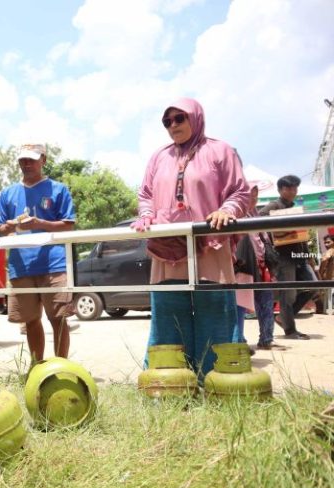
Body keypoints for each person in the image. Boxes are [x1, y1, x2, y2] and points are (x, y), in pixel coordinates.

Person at [132, 97, 250, 380]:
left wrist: (226, 209)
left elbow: (240, 191)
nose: (173, 126)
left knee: (215, 314)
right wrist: (146, 215)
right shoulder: (159, 157)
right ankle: (169, 384)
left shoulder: (219, 151)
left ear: (195, 118)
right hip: (166, 248)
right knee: (168, 316)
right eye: (167, 121)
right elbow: (145, 194)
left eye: (179, 118)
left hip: (210, 246)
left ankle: (216, 383)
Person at [0, 143, 76, 363]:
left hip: (54, 263)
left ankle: (61, 365)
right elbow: (0, 227)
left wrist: (40, 223)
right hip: (21, 265)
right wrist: (10, 226)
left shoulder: (58, 190)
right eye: (23, 160)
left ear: (43, 160)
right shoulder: (7, 193)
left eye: (31, 159)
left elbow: (69, 225)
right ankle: (36, 366)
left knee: (58, 318)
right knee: (30, 320)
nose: (26, 164)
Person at [259, 175, 313, 339]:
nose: (292, 191)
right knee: (288, 295)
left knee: (313, 286)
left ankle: (283, 318)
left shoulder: (294, 207)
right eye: (289, 188)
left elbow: (301, 234)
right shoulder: (274, 205)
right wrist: (275, 231)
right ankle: (290, 330)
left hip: (300, 254)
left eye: (295, 188)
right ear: (280, 190)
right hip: (283, 256)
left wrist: (308, 255)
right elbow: (259, 217)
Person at [231, 185, 281, 352]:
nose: (253, 199)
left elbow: (264, 241)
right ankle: (239, 340)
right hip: (244, 265)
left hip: (261, 265)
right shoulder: (235, 213)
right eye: (250, 196)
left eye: (256, 196)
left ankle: (266, 338)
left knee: (265, 302)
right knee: (240, 304)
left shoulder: (256, 214)